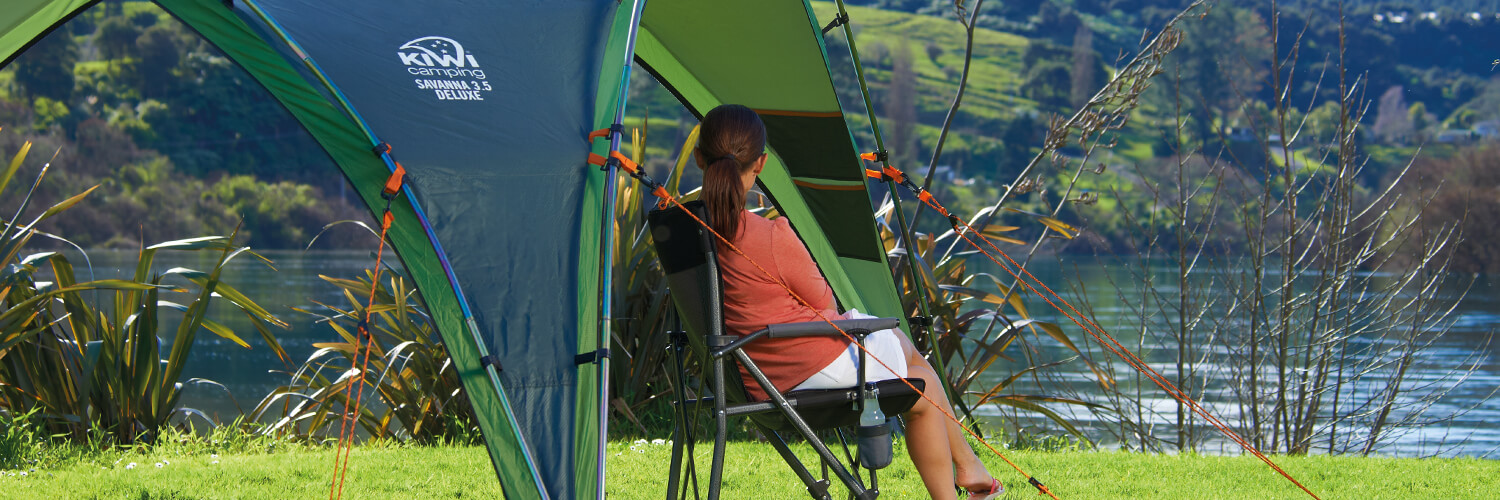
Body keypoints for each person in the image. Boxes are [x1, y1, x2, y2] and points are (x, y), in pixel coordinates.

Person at [695, 104, 1003, 500]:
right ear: (761, 163)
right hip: (800, 371)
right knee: (920, 386)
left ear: (699, 158)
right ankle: (965, 473)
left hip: (747, 373)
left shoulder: (684, 229)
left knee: (906, 358)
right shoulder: (770, 235)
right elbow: (825, 300)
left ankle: (970, 469)